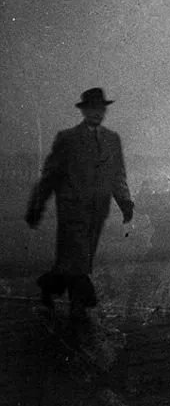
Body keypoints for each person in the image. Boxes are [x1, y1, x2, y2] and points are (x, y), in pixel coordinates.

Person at [25, 88, 134, 324]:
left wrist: (125, 201)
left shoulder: (112, 140)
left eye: (101, 109)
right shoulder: (68, 138)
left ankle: (48, 285)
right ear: (83, 111)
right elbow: (50, 175)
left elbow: (118, 175)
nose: (97, 113)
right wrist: (37, 205)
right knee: (78, 257)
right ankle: (79, 303)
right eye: (92, 109)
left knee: (76, 258)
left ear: (104, 111)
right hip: (72, 209)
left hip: (98, 209)